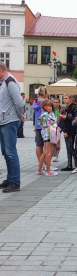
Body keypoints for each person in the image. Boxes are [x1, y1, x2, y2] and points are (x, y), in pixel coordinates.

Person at [0, 62, 25, 192]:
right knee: (5, 152)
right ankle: (10, 178)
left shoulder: (10, 82)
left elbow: (19, 102)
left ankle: (15, 181)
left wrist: (21, 115)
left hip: (10, 121)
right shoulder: (4, 82)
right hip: (4, 121)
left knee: (11, 152)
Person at [37, 100, 58, 176]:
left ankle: (39, 169)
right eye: (48, 106)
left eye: (50, 106)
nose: (50, 107)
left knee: (45, 152)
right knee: (48, 152)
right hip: (48, 134)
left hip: (49, 133)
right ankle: (48, 170)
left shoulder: (50, 114)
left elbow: (39, 124)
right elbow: (40, 123)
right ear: (44, 107)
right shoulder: (45, 115)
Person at [59, 93, 77, 171]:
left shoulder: (74, 107)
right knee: (68, 147)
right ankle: (69, 165)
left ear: (71, 99)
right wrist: (64, 130)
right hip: (66, 129)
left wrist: (66, 117)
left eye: (66, 98)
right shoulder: (65, 108)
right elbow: (63, 121)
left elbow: (75, 118)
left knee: (70, 147)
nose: (64, 99)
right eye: (64, 98)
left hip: (72, 130)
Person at [51, 97, 63, 162]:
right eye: (54, 102)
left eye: (57, 102)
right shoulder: (50, 110)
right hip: (52, 127)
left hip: (58, 127)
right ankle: (52, 154)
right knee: (52, 141)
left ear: (59, 103)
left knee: (58, 141)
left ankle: (56, 156)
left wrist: (61, 127)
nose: (55, 104)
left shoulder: (61, 110)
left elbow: (63, 119)